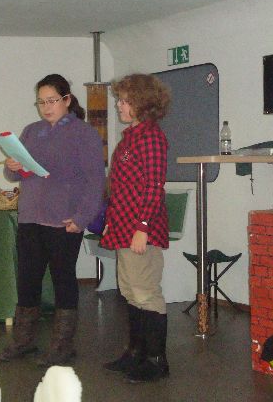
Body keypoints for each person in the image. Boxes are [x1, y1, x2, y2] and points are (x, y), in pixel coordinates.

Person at [0, 73, 105, 367]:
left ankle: (62, 346)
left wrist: (82, 218)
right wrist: (12, 166)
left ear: (67, 100)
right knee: (28, 281)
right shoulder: (31, 131)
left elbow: (96, 181)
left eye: (52, 101)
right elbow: (13, 175)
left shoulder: (84, 133)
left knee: (63, 281)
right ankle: (23, 341)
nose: (46, 107)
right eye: (41, 102)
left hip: (64, 221)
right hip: (30, 218)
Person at [100, 73, 171, 383]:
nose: (119, 105)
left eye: (125, 100)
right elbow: (121, 186)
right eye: (120, 99)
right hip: (124, 226)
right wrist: (111, 223)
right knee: (130, 291)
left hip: (142, 228)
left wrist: (142, 227)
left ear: (142, 103)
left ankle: (156, 360)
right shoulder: (131, 137)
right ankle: (135, 353)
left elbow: (154, 187)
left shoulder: (152, 138)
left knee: (145, 293)